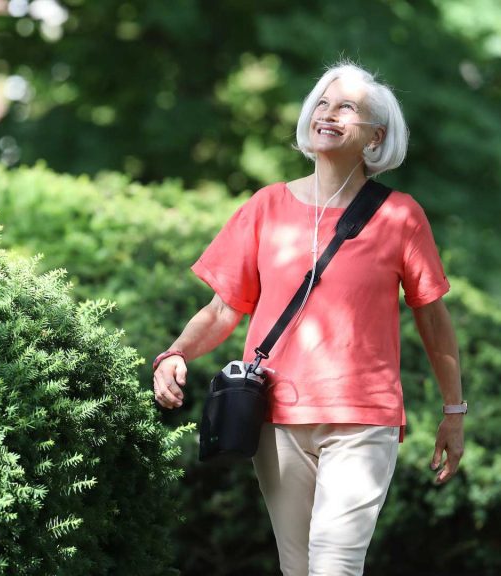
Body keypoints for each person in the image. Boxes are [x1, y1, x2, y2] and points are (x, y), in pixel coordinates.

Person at [151, 61, 466, 576]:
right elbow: (224, 308)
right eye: (322, 103)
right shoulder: (267, 206)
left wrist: (454, 410)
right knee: (298, 568)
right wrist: (176, 354)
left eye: (347, 107)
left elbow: (433, 319)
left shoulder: (400, 216)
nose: (328, 113)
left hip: (363, 419)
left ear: (375, 137)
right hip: (276, 419)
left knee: (335, 565)